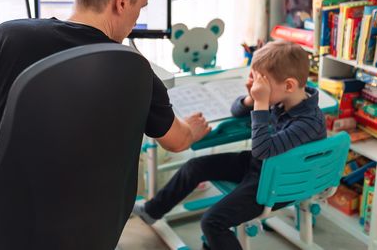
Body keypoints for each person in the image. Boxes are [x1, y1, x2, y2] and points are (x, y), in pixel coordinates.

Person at [0, 0, 211, 248]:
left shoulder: (7, 37)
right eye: (141, 7)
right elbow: (177, 141)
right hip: (87, 233)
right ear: (122, 0)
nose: (136, 19)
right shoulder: (136, 69)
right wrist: (193, 128)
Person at [133, 40, 327, 250]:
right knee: (195, 166)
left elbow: (262, 150)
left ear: (289, 85)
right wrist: (251, 100)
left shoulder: (308, 122)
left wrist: (262, 104)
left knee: (212, 222)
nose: (256, 88)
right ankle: (152, 211)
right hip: (263, 168)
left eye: (262, 83)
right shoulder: (284, 98)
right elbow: (237, 111)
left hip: (279, 183)